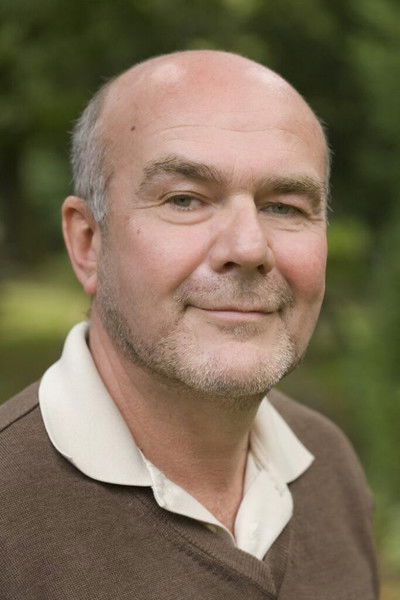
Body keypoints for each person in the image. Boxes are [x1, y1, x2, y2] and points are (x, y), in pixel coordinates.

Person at [0, 50, 378, 598]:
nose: (248, 248)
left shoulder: (329, 465)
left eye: (284, 207)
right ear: (88, 243)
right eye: (185, 200)